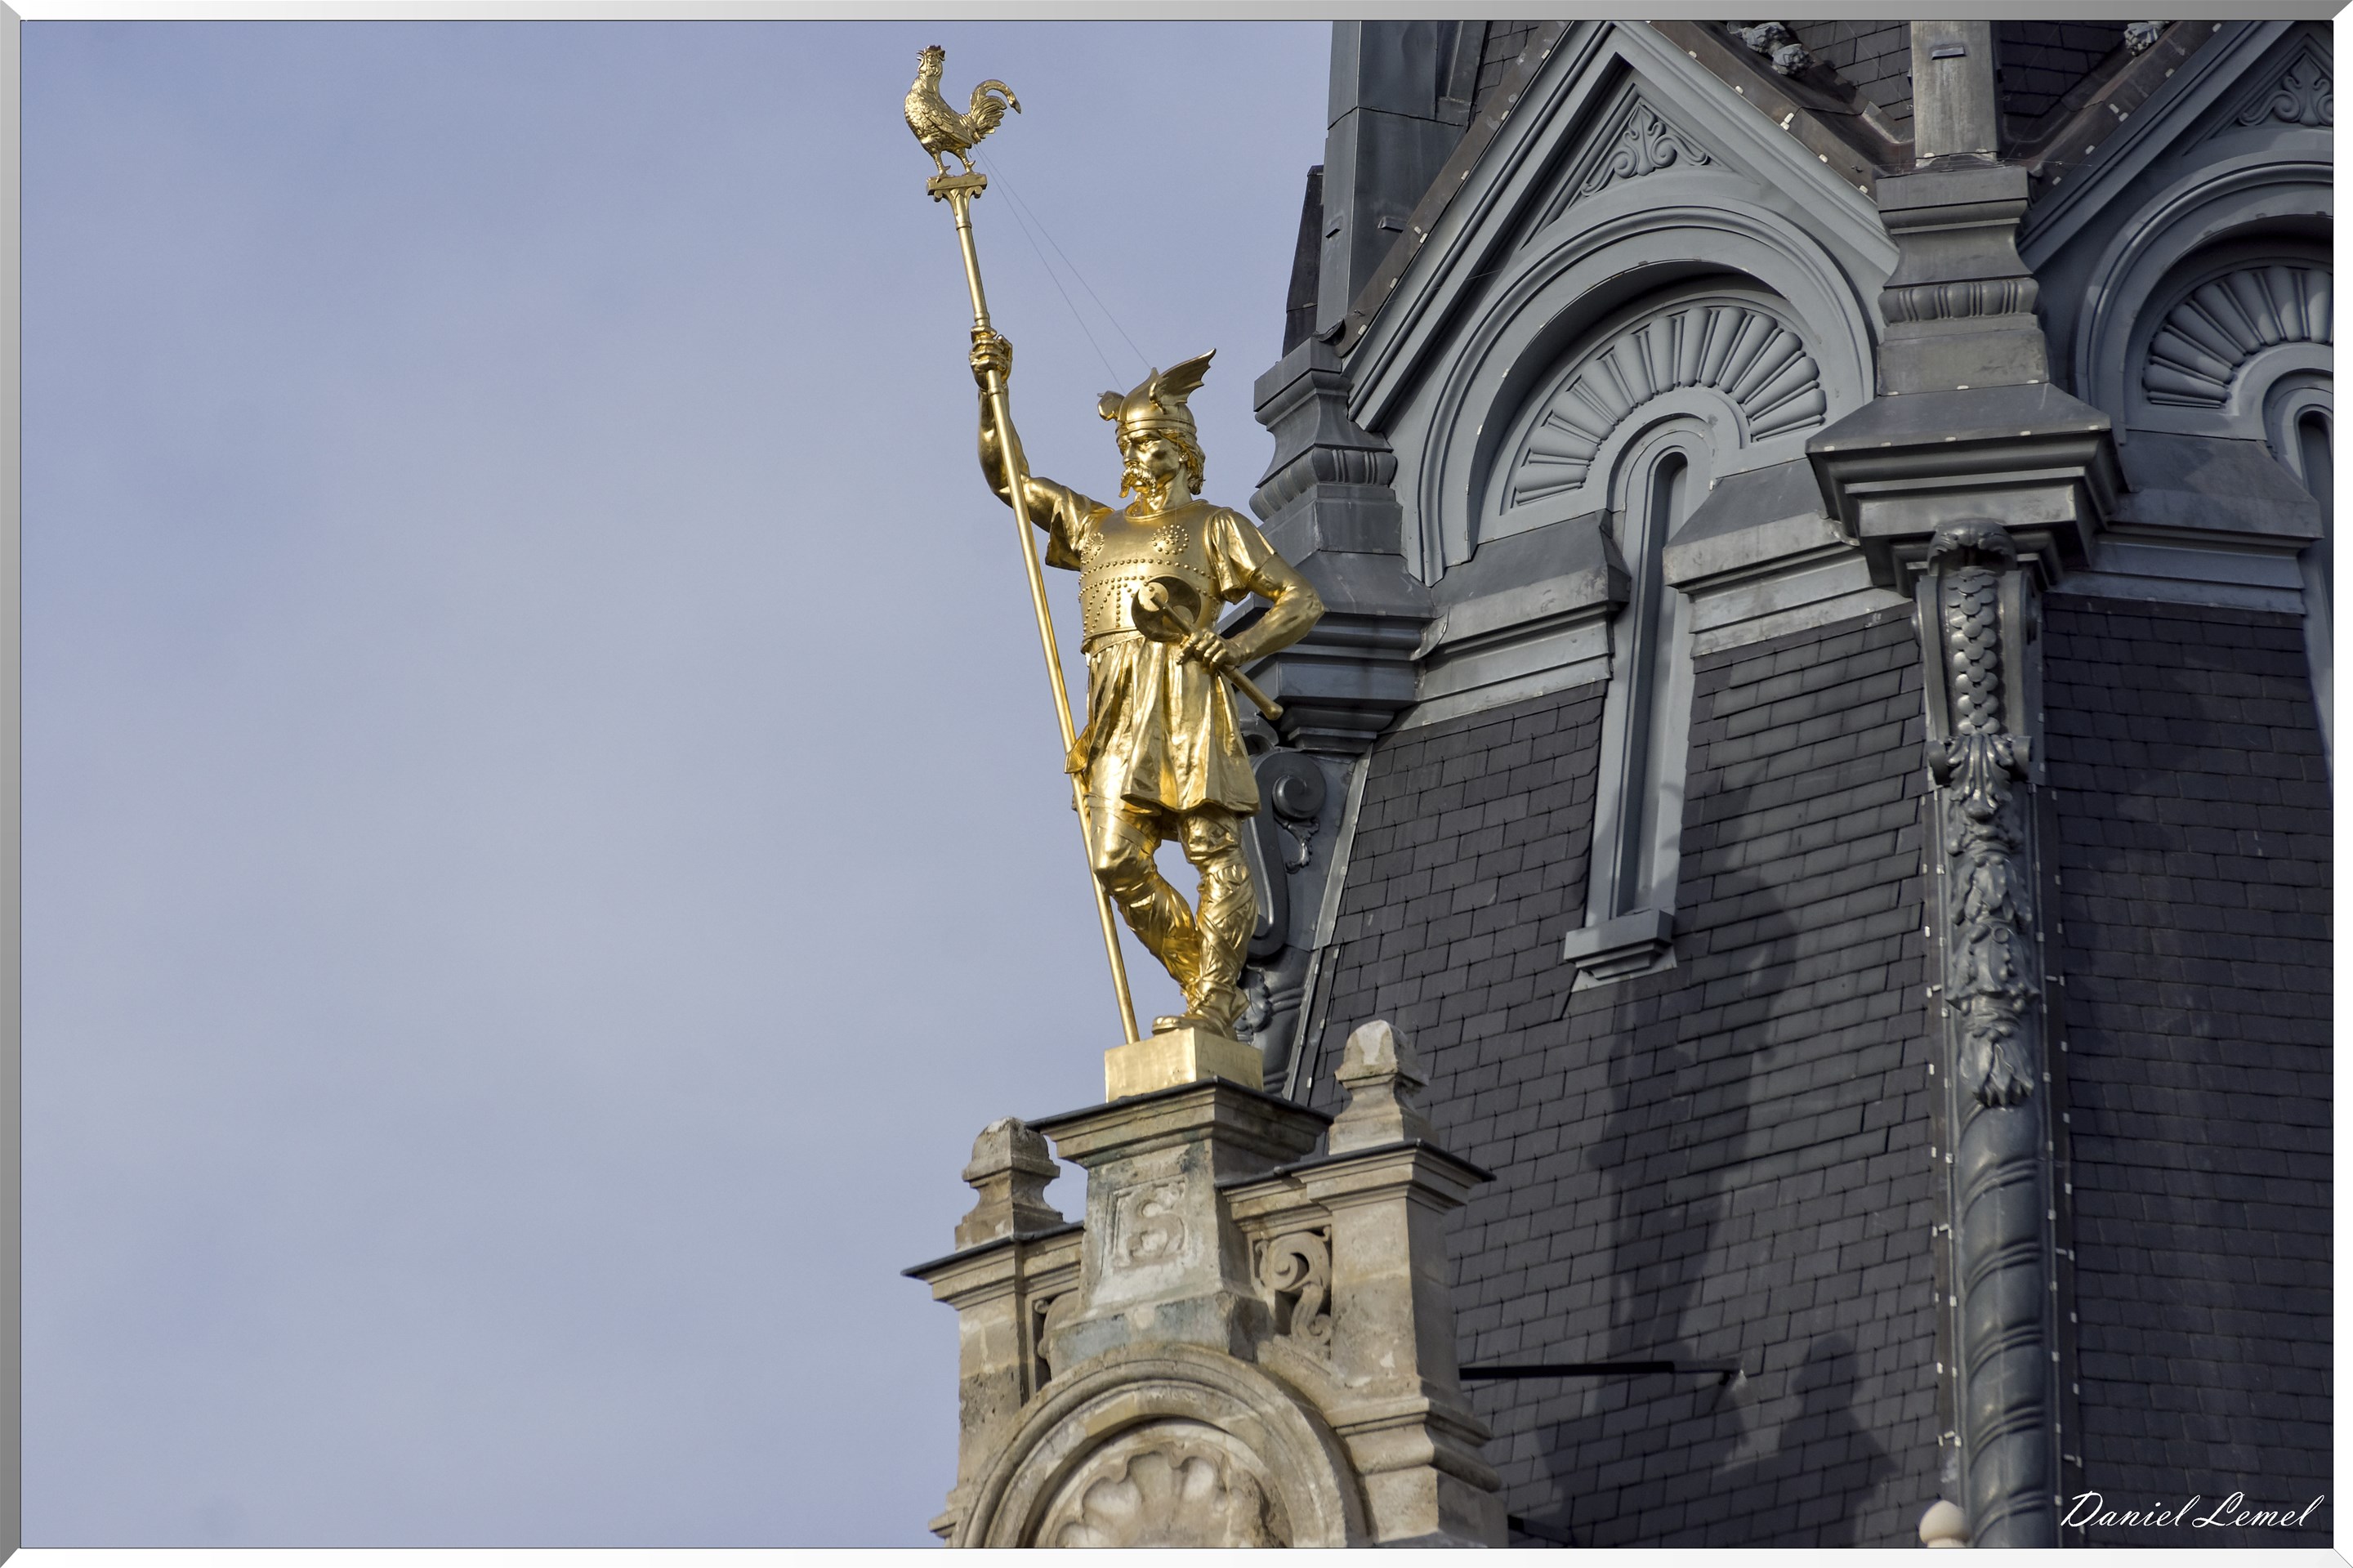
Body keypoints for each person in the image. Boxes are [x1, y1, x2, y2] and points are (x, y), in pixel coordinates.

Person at [971, 330, 1324, 1038]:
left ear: (1183, 449)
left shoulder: (1216, 526)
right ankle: (1204, 978)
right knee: (1113, 859)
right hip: (1117, 709)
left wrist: (1237, 644)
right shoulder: (1096, 526)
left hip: (1188, 697)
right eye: (1128, 446)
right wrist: (992, 391)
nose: (1135, 457)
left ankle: (1213, 1002)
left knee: (1213, 848)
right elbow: (1010, 478)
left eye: (1149, 444)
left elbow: (1301, 601)